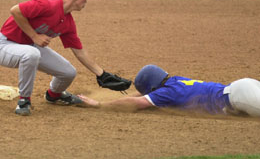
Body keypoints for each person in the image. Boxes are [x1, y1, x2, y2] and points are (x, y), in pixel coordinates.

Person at [0, 0, 130, 116]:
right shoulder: (47, 4)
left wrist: (101, 74)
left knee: (68, 72)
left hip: (31, 47)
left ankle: (54, 95)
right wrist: (34, 36)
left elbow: (79, 52)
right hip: (5, 46)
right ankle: (24, 100)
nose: (86, 1)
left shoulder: (68, 22)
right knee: (32, 54)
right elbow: (15, 10)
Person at [79, 64, 260, 117]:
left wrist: (100, 104)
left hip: (241, 98)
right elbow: (145, 95)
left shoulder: (166, 93)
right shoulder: (175, 81)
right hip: (243, 86)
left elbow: (139, 101)